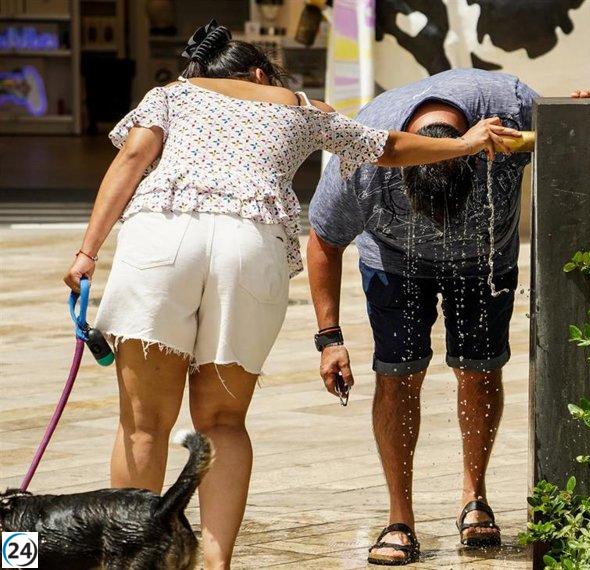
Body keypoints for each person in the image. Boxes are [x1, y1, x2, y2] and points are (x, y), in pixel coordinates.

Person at [61, 22, 516, 569]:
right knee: (222, 422)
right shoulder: (300, 106)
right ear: (260, 73)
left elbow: (132, 159)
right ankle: (215, 563)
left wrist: (87, 252)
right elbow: (388, 147)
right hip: (250, 246)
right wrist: (465, 143)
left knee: (143, 424)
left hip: (162, 237)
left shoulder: (169, 95)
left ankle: (135, 560)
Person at [307, 68, 590, 565]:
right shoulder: (364, 149)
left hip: (485, 259)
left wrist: (583, 118)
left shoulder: (512, 107)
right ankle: (399, 517)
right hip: (394, 261)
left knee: (480, 370)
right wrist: (329, 338)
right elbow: (324, 240)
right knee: (397, 376)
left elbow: (574, 145)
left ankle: (474, 496)